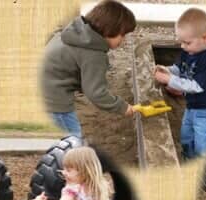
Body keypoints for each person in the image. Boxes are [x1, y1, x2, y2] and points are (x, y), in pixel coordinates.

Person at [40, 0, 136, 138]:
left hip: (42, 89)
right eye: (123, 35)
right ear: (110, 30)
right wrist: (122, 107)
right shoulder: (93, 54)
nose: (124, 40)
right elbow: (96, 93)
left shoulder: (72, 32)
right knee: (72, 139)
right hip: (54, 101)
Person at [154, 8, 206, 159]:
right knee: (186, 137)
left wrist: (169, 80)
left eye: (186, 42)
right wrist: (167, 70)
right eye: (181, 42)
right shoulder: (189, 51)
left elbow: (196, 86)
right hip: (193, 106)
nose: (182, 46)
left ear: (205, 38)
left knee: (203, 145)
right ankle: (188, 159)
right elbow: (179, 69)